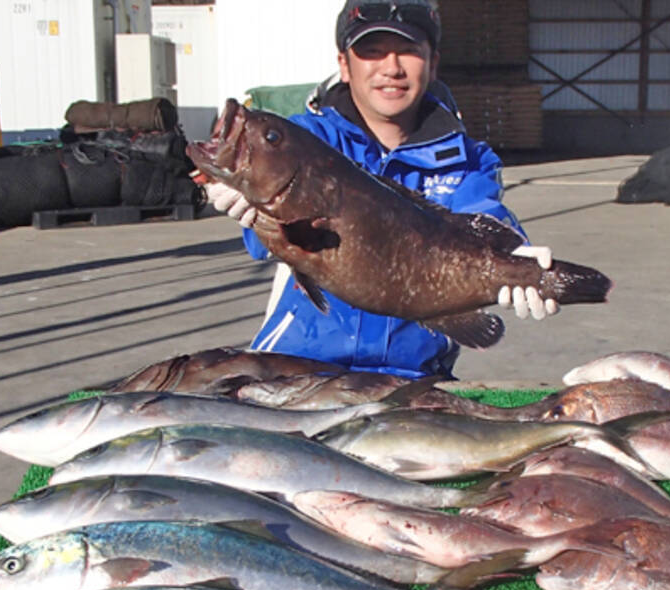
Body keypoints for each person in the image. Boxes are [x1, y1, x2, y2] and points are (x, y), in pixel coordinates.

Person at [206, 0, 557, 378]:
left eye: (408, 51)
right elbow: (265, 244)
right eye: (372, 52)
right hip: (298, 368)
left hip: (411, 377)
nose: (391, 68)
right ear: (344, 64)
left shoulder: (469, 159)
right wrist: (243, 195)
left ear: (433, 62)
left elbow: (482, 214)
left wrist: (515, 257)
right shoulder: (307, 138)